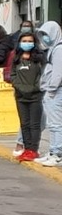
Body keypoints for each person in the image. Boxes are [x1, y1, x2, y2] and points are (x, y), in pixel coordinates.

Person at [11, 33, 45, 163]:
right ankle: (26, 148)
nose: (27, 43)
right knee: (24, 124)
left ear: (34, 42)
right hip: (20, 96)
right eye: (24, 40)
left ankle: (33, 150)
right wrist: (20, 87)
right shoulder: (16, 58)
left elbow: (41, 77)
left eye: (29, 41)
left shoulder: (39, 58)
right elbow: (12, 75)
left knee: (34, 124)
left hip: (35, 96)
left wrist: (32, 89)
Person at [35, 21, 62, 167]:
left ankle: (56, 153)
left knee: (56, 124)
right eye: (43, 34)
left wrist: (51, 89)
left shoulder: (58, 49)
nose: (45, 37)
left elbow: (58, 73)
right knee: (53, 124)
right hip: (53, 90)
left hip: (56, 91)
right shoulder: (53, 49)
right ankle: (53, 151)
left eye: (47, 34)